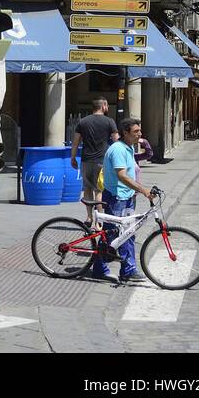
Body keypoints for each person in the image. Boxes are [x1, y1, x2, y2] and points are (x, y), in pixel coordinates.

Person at [91, 117, 153, 284]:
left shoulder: (128, 147)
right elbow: (121, 175)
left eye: (140, 130)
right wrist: (143, 190)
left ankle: (120, 269)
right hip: (116, 198)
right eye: (136, 131)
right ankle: (124, 269)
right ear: (125, 133)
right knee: (115, 235)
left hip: (126, 197)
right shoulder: (118, 149)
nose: (139, 134)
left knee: (125, 234)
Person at [70, 98, 119, 226]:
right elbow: (116, 142)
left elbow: (75, 142)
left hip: (86, 160)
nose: (107, 107)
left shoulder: (83, 122)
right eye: (107, 105)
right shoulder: (109, 121)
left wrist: (73, 157)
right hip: (102, 161)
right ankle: (99, 221)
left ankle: (89, 218)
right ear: (103, 106)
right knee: (99, 190)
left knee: (87, 189)